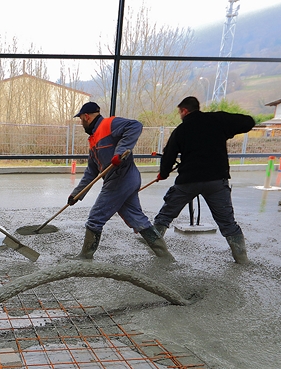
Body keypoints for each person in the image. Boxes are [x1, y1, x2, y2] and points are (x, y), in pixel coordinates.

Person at [153, 96, 255, 264]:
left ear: (185, 111)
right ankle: (241, 257)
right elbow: (248, 122)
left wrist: (163, 174)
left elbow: (169, 155)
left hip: (188, 181)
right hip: (216, 180)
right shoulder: (218, 120)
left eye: (180, 112)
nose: (180, 115)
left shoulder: (181, 129)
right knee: (228, 222)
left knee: (165, 215)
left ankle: (155, 244)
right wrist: (224, 123)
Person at [68, 102, 172, 260]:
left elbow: (135, 126)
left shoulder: (109, 124)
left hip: (121, 178)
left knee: (96, 217)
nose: (81, 123)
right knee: (137, 218)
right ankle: (165, 256)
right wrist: (76, 195)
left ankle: (85, 256)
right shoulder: (94, 140)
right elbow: (91, 172)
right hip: (124, 180)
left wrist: (120, 151)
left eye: (81, 120)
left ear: (86, 116)